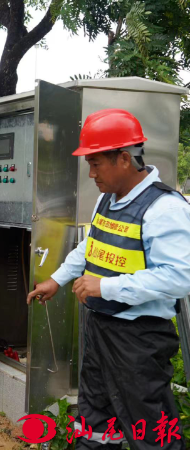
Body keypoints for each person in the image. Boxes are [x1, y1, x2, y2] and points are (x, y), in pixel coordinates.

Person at [28, 109, 190, 449]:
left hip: (139, 338)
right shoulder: (107, 200)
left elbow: (179, 277)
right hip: (100, 327)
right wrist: (57, 279)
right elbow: (92, 245)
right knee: (95, 417)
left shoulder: (164, 208)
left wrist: (106, 287)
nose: (91, 174)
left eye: (96, 164)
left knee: (149, 428)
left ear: (124, 159)